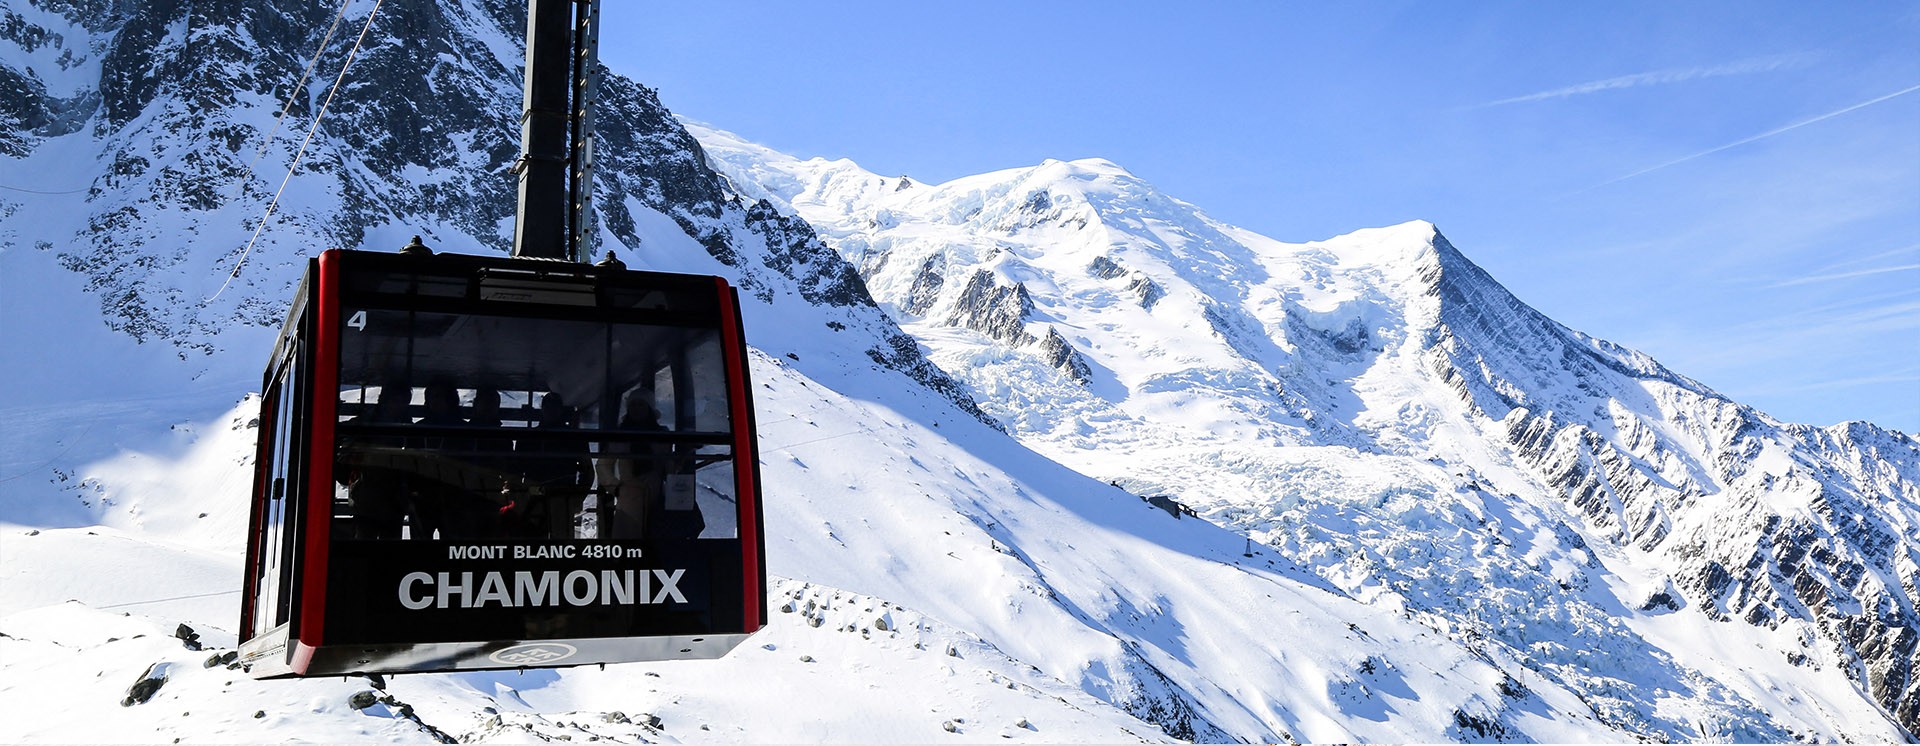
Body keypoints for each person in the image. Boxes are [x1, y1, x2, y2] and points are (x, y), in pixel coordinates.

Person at [514, 391, 593, 539]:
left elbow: (587, 471)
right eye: (549, 407)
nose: (551, 411)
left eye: (554, 407)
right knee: (540, 542)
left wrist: (577, 497)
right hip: (541, 499)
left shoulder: (528, 438)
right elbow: (516, 472)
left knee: (555, 543)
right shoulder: (574, 438)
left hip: (558, 498)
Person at [336, 385, 410, 539]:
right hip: (370, 499)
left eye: (402, 402)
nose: (398, 406)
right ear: (384, 400)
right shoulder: (368, 424)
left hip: (386, 501)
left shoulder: (400, 427)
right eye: (395, 401)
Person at [594, 396, 667, 539]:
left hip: (656, 498)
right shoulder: (620, 435)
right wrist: (616, 488)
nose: (636, 409)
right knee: (628, 543)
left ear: (649, 409)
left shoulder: (661, 435)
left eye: (641, 404)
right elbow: (603, 465)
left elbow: (669, 464)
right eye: (633, 405)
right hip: (629, 499)